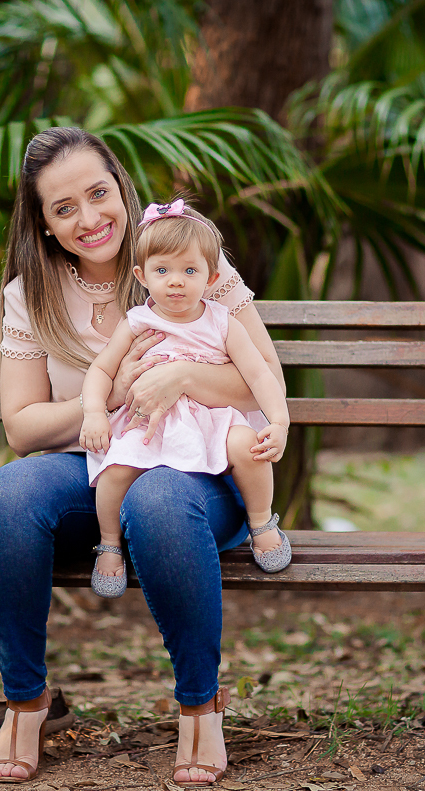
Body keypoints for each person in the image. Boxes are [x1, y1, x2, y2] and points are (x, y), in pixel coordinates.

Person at [0, 126, 285, 787]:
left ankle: (200, 704)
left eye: (97, 194)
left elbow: (266, 381)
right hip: (101, 465)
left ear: (121, 187)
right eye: (64, 208)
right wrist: (111, 395)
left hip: (204, 468)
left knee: (159, 499)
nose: (88, 219)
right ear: (44, 223)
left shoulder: (189, 261)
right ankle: (26, 702)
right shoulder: (30, 295)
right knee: (5, 497)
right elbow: (23, 427)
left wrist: (184, 377)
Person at [80, 199, 291, 599]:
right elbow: (101, 371)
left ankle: (261, 522)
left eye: (189, 271)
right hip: (148, 423)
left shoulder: (222, 322)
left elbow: (260, 375)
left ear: (211, 278)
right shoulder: (137, 322)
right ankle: (108, 544)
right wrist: (93, 411)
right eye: (162, 271)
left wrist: (279, 422)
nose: (175, 282)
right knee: (114, 472)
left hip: (212, 419)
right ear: (142, 275)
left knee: (249, 447)